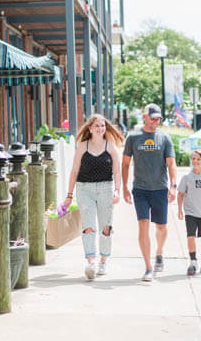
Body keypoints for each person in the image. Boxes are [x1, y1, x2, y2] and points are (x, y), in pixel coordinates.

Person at [63, 114, 124, 280]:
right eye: (97, 126)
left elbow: (117, 171)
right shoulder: (82, 147)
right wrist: (69, 195)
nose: (100, 128)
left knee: (106, 227)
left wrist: (117, 190)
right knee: (88, 226)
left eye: (102, 126)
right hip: (84, 189)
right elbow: (74, 171)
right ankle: (91, 262)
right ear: (90, 128)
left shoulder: (110, 146)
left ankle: (103, 260)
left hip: (106, 188)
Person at [122, 103, 177, 282]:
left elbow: (171, 163)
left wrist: (173, 185)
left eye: (158, 118)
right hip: (140, 189)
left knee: (161, 227)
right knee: (143, 223)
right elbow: (125, 163)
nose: (156, 121)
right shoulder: (133, 137)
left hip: (160, 189)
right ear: (144, 117)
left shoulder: (164, 138)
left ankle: (159, 253)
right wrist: (124, 187)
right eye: (152, 117)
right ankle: (148, 267)